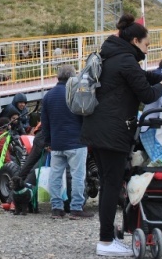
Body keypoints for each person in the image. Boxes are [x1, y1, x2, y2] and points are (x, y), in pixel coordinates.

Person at [82, 14, 162, 256]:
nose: (147, 51)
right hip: (113, 131)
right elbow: (147, 94)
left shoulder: (113, 55)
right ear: (135, 40)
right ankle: (105, 241)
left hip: (99, 129)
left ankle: (106, 237)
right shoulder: (126, 60)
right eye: (146, 45)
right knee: (111, 184)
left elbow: (142, 77)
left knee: (108, 184)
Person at [41, 64, 93, 219]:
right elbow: (85, 117)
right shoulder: (76, 93)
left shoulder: (48, 96)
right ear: (72, 77)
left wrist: (47, 141)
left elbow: (45, 122)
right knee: (78, 176)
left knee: (55, 175)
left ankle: (56, 208)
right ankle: (76, 208)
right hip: (76, 142)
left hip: (57, 143)